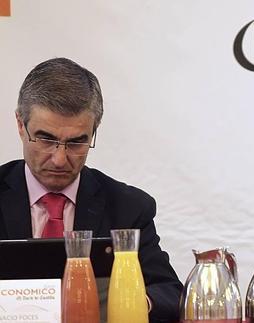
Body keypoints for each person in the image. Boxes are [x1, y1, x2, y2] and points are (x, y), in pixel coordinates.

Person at [0, 57, 182, 322]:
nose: (60, 159)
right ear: (20, 124)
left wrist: (128, 302)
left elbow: (169, 294)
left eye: (77, 142)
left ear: (93, 131)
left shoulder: (128, 207)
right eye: (46, 139)